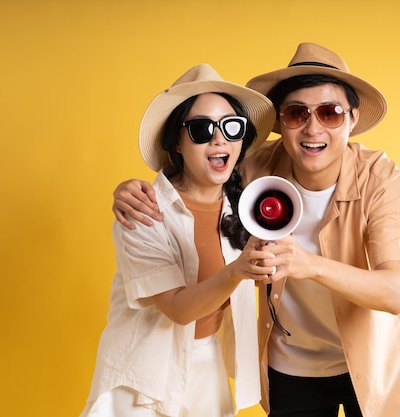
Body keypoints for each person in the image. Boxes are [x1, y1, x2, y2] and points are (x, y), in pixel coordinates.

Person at [111, 43, 400, 417]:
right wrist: (131, 189)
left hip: (374, 365)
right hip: (290, 369)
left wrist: (308, 264)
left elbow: (395, 293)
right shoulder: (251, 167)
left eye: (330, 113)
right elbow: (197, 177)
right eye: (297, 113)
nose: (313, 128)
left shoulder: (382, 178)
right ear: (280, 121)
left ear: (352, 118)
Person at [80, 63, 278, 417]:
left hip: (206, 363)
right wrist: (237, 271)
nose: (219, 139)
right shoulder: (143, 211)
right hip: (142, 375)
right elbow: (179, 308)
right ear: (177, 141)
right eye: (202, 129)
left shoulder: (247, 206)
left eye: (232, 127)